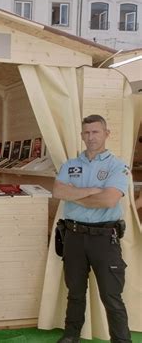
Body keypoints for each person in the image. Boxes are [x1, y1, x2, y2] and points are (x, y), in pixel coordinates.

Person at [53, 114, 131, 343]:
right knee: (75, 293)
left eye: (96, 132)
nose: (91, 137)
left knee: (111, 296)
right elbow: (58, 192)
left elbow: (109, 200)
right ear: (82, 136)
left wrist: (75, 195)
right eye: (87, 132)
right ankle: (71, 336)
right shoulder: (70, 165)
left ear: (107, 134)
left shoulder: (118, 165)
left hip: (105, 239)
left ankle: (122, 341)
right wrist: (94, 191)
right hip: (73, 236)